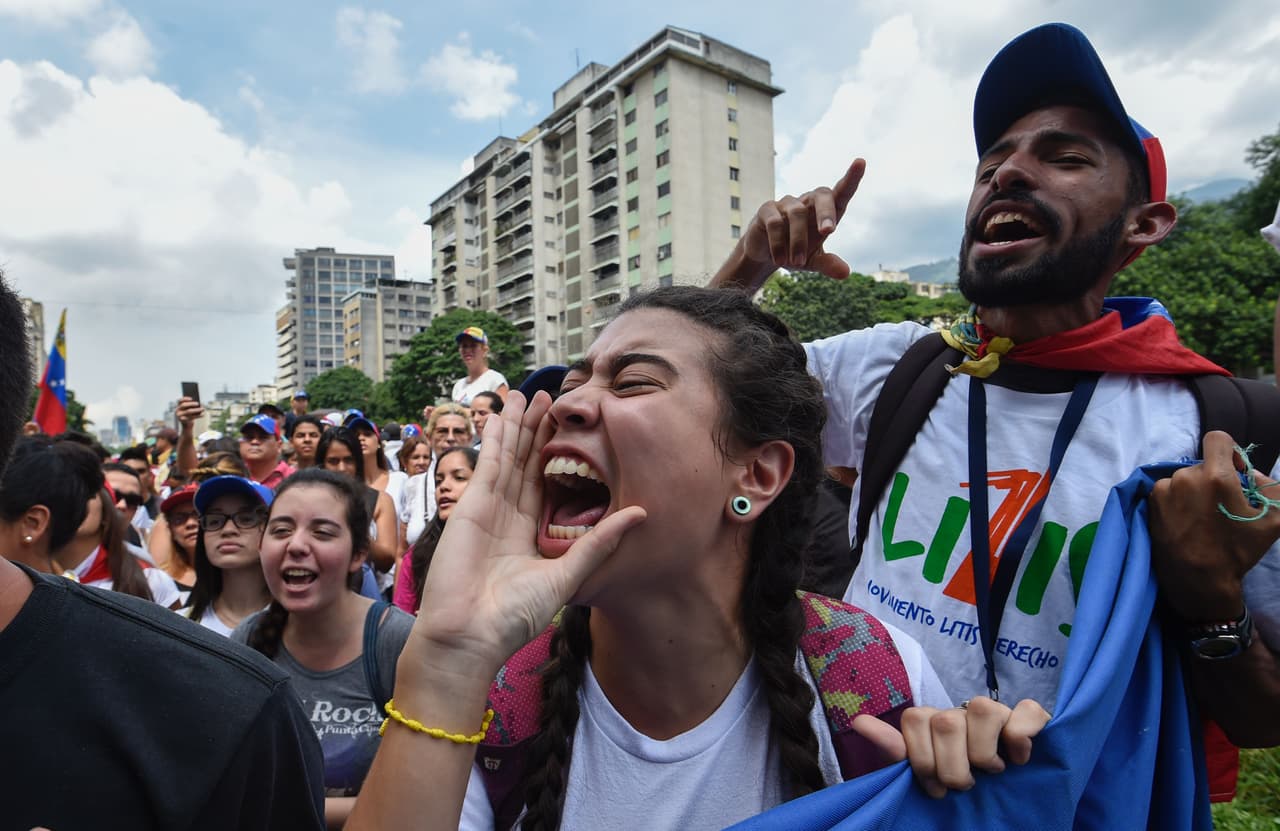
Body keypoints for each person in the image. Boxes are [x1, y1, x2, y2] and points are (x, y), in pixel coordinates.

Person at [711, 19, 1280, 798]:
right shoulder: (897, 365)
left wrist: (1212, 595)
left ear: (1144, 225)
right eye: (993, 160)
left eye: (1065, 156)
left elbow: (1262, 720)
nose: (1008, 173)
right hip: (845, 793)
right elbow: (681, 388)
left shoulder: (1215, 427)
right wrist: (751, 264)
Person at [347, 288, 1048, 830]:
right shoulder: (494, 698)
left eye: (632, 383)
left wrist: (991, 788)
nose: (566, 405)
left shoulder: (875, 678)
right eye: (576, 382)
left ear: (758, 476)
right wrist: (450, 657)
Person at [0, 271, 324, 829]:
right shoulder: (175, 608)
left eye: (248, 519)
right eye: (207, 518)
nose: (223, 531)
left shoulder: (224, 707)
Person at [233, 468, 414, 830]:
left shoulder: (398, 641)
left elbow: (417, 795)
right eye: (281, 530)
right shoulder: (248, 641)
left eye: (322, 533)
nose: (296, 545)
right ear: (261, 545)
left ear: (358, 554)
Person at [54, 487, 183, 608]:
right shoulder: (35, 574)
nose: (122, 505)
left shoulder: (151, 580)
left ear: (105, 511)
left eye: (86, 491)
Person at [182, 475, 275, 636]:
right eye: (215, 521)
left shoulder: (300, 622)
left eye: (246, 519)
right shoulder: (181, 625)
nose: (228, 530)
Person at [391, 446, 478, 614]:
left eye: (459, 477)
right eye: (438, 481)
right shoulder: (419, 555)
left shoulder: (508, 550)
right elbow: (401, 619)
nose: (444, 487)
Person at [317, 427, 399, 573]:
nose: (342, 468)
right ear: (322, 464)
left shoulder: (379, 500)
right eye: (333, 461)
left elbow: (387, 560)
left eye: (349, 460)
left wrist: (355, 530)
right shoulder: (309, 501)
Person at [399, 404, 474, 547]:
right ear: (429, 437)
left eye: (458, 431)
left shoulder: (484, 481)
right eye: (442, 431)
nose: (451, 438)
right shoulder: (414, 485)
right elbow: (401, 553)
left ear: (469, 437)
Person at [347, 413, 408, 521]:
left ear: (379, 443)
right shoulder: (347, 486)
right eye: (355, 435)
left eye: (367, 434)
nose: (361, 438)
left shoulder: (400, 479)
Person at [150, 484, 200, 594]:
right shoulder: (159, 582)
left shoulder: (236, 575)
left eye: (198, 515)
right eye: (179, 519)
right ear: (171, 530)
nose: (190, 523)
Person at [452, 327, 509, 405]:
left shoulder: (495, 380)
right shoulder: (458, 385)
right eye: (464, 346)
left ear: (485, 350)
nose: (468, 350)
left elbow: (502, 413)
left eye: (473, 346)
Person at [239, 413, 294, 488]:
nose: (254, 442)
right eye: (249, 437)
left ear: (279, 446)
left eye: (263, 437)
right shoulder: (234, 475)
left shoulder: (294, 479)